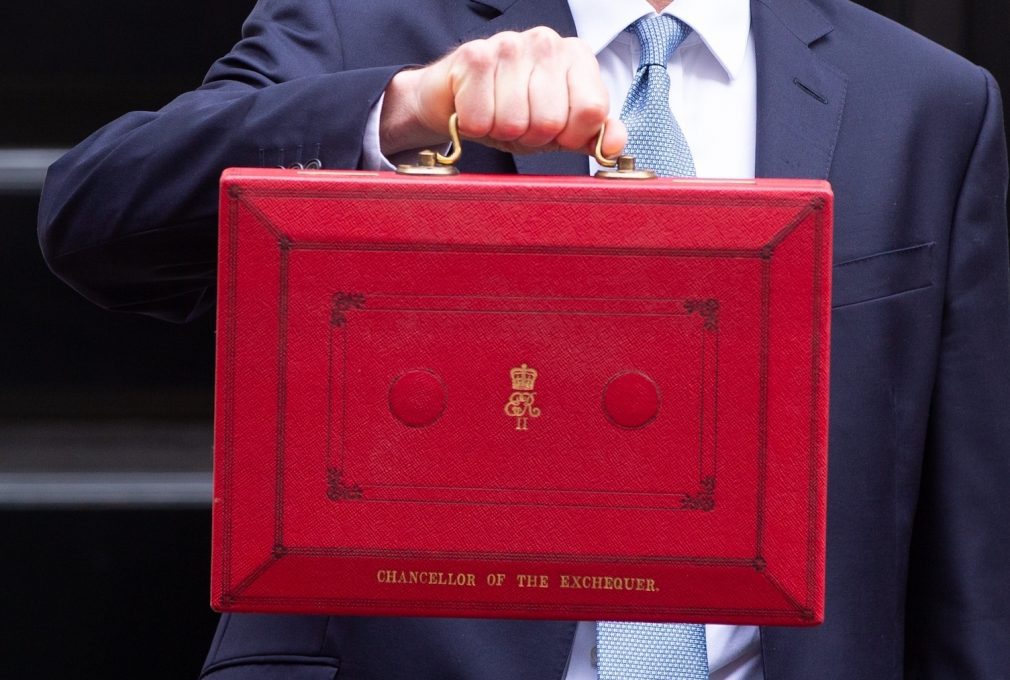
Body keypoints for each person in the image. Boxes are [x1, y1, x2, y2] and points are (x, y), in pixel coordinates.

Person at [37, 0, 1010, 677]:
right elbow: (94, 215)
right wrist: (406, 111)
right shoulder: (364, 28)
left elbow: (963, 579)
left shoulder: (926, 105)